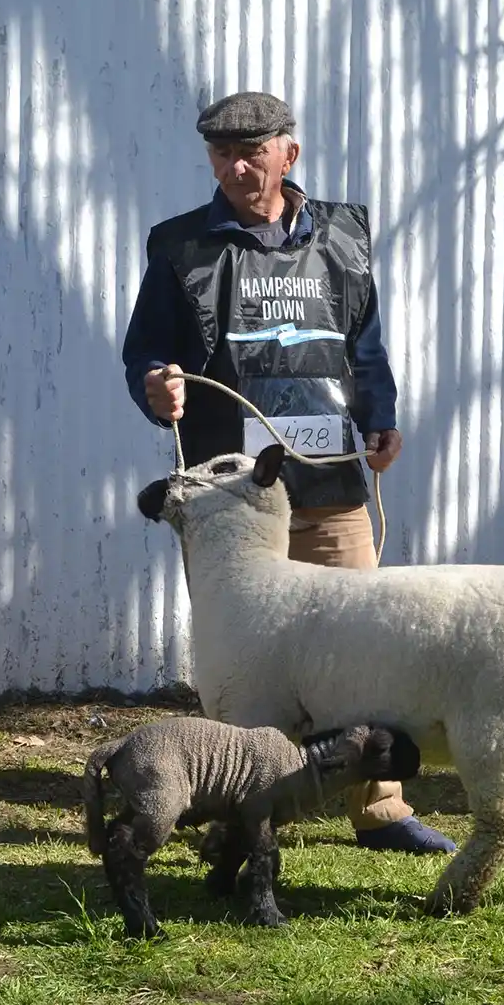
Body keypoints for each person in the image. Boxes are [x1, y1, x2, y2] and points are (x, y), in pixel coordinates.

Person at [121, 90, 456, 855]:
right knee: (241, 665)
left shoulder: (342, 238)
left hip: (331, 484)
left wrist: (382, 417)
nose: (237, 166)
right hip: (231, 506)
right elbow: (146, 350)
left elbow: (363, 345)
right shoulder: (182, 248)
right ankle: (244, 812)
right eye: (221, 154)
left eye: (252, 151)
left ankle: (380, 809)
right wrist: (156, 383)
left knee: (366, 645)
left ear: (288, 154)